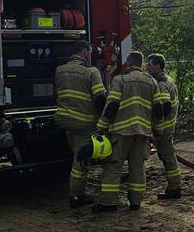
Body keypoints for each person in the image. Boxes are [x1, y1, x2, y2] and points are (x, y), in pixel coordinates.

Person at [93, 51, 169, 213]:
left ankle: (108, 203)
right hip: (142, 133)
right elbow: (158, 110)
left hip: (121, 132)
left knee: (113, 166)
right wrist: (158, 131)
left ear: (128, 63)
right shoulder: (151, 82)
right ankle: (135, 202)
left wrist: (101, 127)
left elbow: (112, 106)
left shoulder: (120, 80)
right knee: (137, 167)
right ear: (141, 64)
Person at [54, 40, 106, 208]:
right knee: (81, 159)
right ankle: (76, 196)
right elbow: (100, 98)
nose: (90, 55)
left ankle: (76, 191)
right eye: (90, 52)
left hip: (64, 120)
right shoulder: (91, 72)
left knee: (75, 152)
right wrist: (105, 120)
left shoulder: (60, 70)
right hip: (83, 123)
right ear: (84, 52)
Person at [147, 53, 182, 199]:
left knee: (167, 156)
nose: (147, 67)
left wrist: (157, 129)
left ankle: (174, 188)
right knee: (166, 155)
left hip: (164, 128)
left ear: (157, 65)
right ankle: (174, 186)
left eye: (149, 64)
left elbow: (164, 106)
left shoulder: (161, 83)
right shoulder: (168, 79)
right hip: (170, 125)